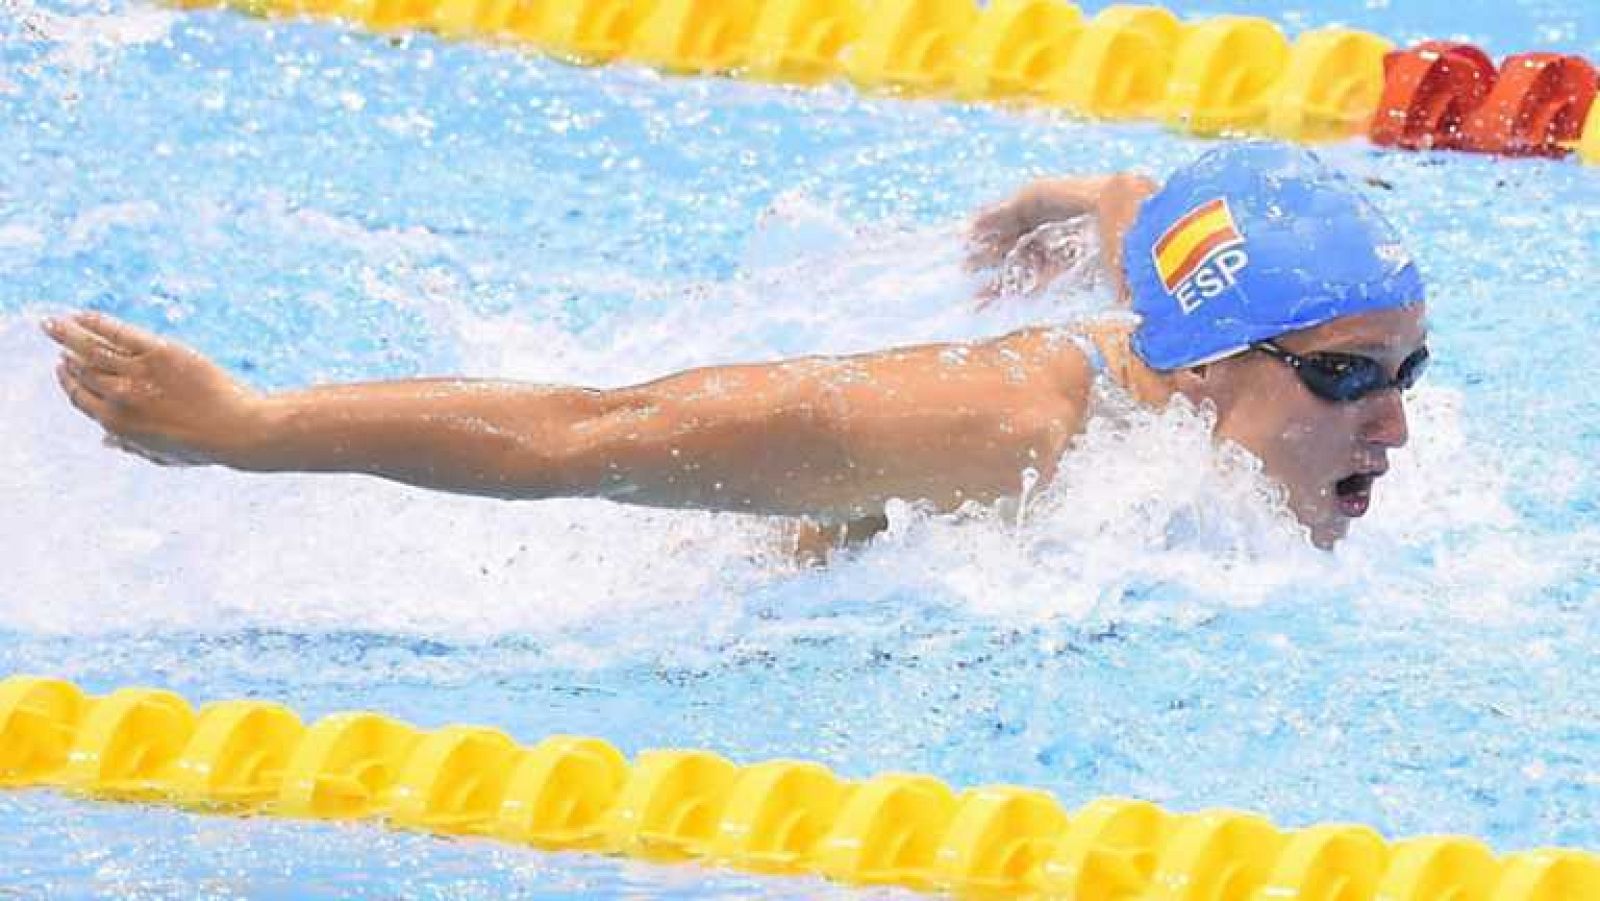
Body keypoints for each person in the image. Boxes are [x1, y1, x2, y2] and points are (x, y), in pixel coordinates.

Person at [42, 142, 1427, 551]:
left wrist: (1079, 200)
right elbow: (585, 433)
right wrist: (247, 429)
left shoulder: (1219, 343)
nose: (1397, 426)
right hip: (695, 574)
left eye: (1408, 372)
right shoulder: (1001, 429)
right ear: (1199, 363)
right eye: (1352, 379)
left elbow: (1161, 224)